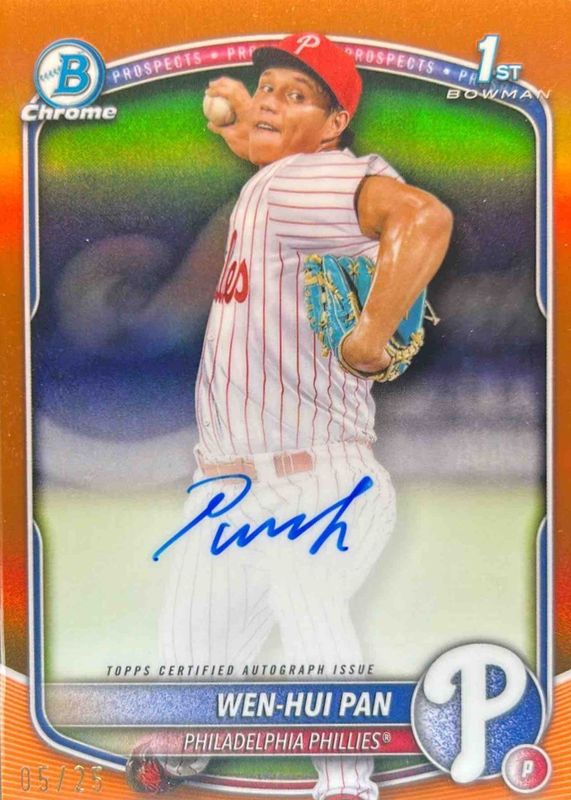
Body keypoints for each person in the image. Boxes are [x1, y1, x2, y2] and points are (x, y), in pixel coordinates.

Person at [126, 32, 452, 799]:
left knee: (304, 593)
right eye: (266, 85)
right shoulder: (280, 179)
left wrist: (371, 330)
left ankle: (344, 784)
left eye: (295, 95)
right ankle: (188, 742)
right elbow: (261, 140)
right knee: (188, 675)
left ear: (335, 124)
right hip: (229, 487)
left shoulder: (298, 182)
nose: (270, 101)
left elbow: (425, 217)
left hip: (315, 481)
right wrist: (235, 119)